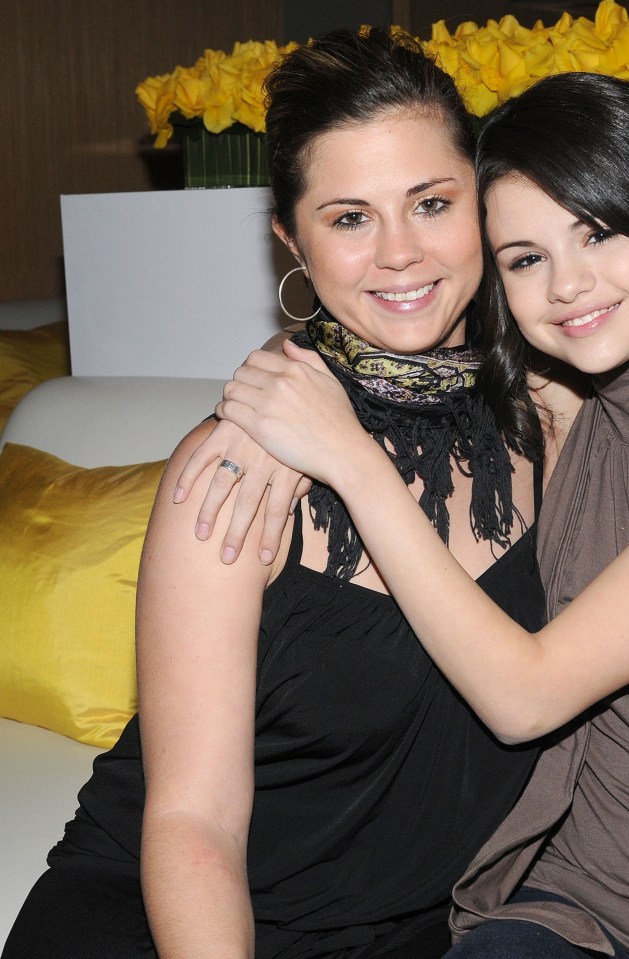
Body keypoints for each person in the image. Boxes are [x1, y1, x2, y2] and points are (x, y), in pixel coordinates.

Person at [207, 72, 629, 959]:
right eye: (526, 258)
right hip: (567, 896)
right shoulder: (557, 404)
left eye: (597, 232)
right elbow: (380, 339)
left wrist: (344, 452)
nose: (569, 285)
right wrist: (276, 392)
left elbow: (526, 697)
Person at [2, 30, 549, 959]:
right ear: (293, 242)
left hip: (426, 929)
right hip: (179, 924)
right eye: (349, 218)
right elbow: (192, 820)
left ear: (487, 206)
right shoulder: (237, 462)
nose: (400, 254)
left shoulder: (559, 420)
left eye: (430, 202)